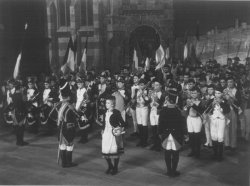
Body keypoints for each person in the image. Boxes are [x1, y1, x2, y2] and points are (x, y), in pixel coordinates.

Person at [49, 78, 80, 168]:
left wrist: (59, 120)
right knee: (69, 146)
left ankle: (64, 163)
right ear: (69, 97)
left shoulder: (58, 104)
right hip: (69, 129)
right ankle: (69, 163)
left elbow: (51, 115)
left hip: (60, 128)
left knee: (62, 145)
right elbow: (78, 116)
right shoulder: (70, 107)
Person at [158, 89, 185, 177]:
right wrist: (184, 135)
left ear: (167, 100)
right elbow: (182, 125)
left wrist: (160, 133)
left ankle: (169, 171)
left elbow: (160, 124)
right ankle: (174, 171)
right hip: (176, 135)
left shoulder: (163, 111)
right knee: (175, 154)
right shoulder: (178, 112)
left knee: (167, 153)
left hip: (166, 134)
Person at [205, 87, 230, 161]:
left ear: (222, 94)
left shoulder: (224, 101)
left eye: (219, 93)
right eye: (216, 93)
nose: (217, 94)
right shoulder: (211, 100)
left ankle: (220, 155)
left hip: (221, 120)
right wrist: (212, 104)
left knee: (220, 137)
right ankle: (215, 154)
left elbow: (227, 110)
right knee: (214, 136)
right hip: (213, 119)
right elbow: (207, 110)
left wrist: (221, 103)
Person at [102, 96, 125, 175]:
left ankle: (115, 168)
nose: (106, 104)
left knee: (114, 152)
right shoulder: (105, 112)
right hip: (106, 133)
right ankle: (110, 166)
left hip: (114, 135)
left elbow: (123, 123)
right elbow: (104, 123)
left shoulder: (116, 112)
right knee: (106, 151)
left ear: (113, 104)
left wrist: (119, 129)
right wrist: (102, 130)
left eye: (108, 103)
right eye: (106, 103)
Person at [8, 79, 29, 146]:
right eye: (21, 88)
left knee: (17, 128)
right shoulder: (22, 95)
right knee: (21, 128)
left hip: (15, 113)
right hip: (21, 113)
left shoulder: (13, 95)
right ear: (20, 88)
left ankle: (18, 141)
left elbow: (12, 104)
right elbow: (25, 104)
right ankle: (21, 142)